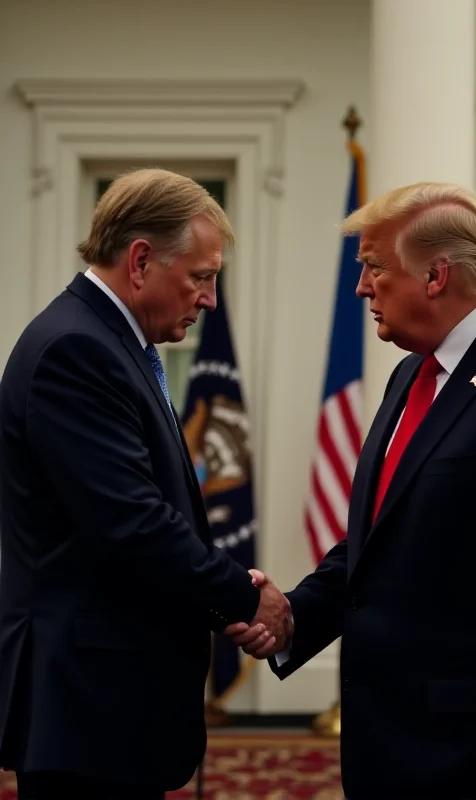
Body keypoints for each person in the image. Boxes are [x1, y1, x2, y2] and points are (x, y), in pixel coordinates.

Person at [227, 183, 476, 800]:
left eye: (373, 267)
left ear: (435, 275)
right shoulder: (409, 373)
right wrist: (294, 617)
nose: (361, 288)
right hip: (388, 750)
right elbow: (379, 543)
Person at [0, 168, 289, 800]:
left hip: (104, 705)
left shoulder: (106, 343)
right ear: (139, 261)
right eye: (202, 276)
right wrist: (243, 597)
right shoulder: (77, 351)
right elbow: (130, 525)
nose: (210, 299)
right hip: (86, 707)